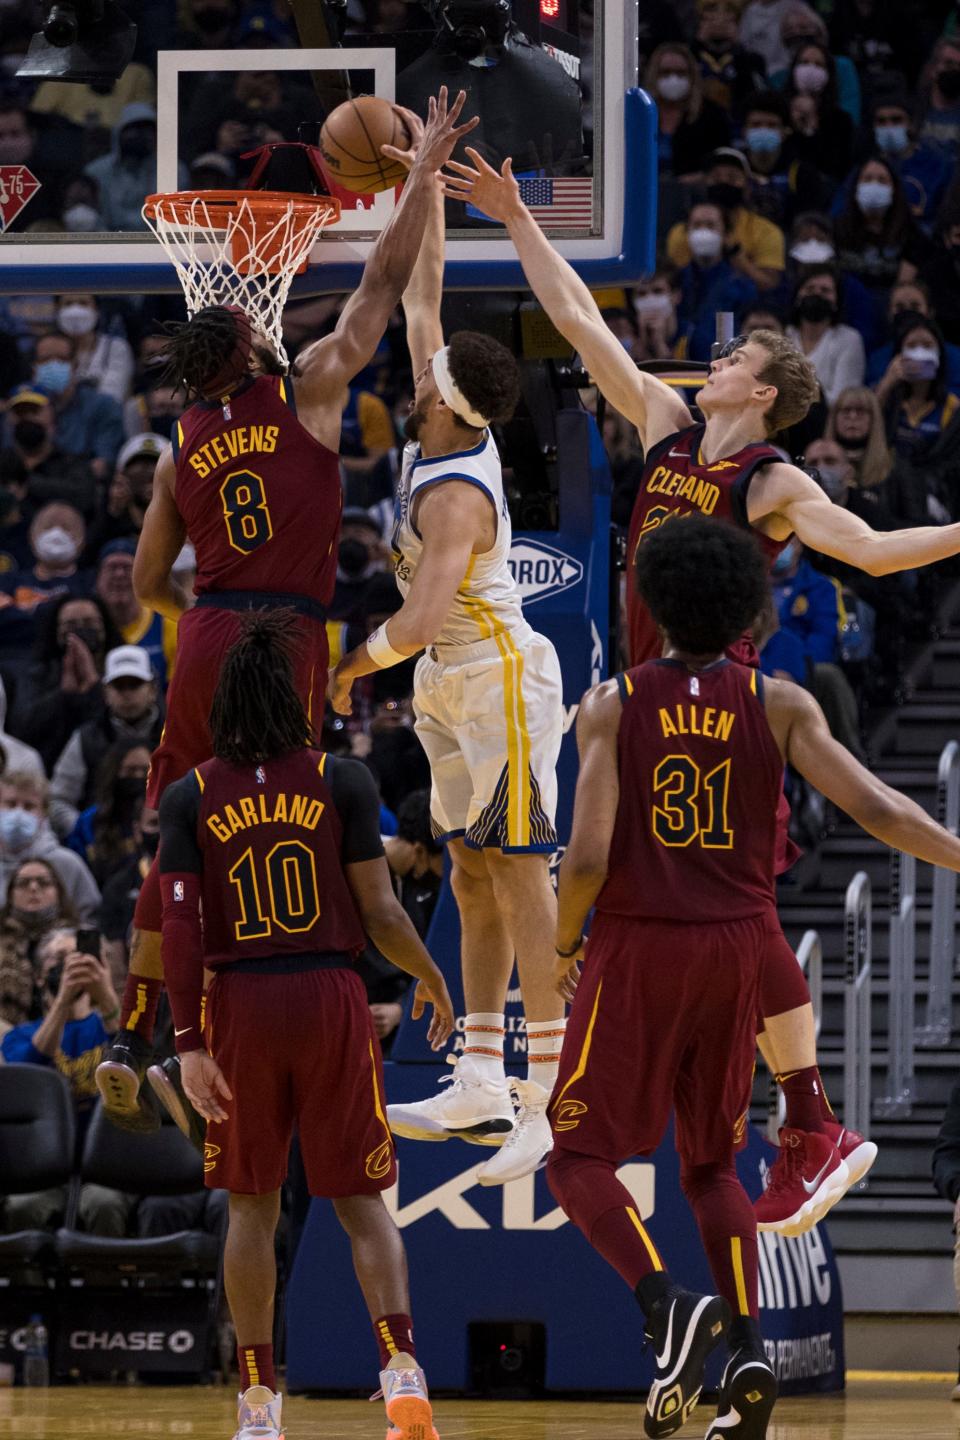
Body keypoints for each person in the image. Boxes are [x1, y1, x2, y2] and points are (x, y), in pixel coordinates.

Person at [445, 147, 960, 1231]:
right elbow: (581, 316)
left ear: (762, 392)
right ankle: (771, 1112)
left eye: (732, 357)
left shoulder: (771, 479)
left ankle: (801, 1115)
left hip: (719, 700)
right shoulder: (668, 430)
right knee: (669, 903)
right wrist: (511, 217)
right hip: (640, 693)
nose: (712, 359)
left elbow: (866, 549)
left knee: (733, 904)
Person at [95, 88, 479, 1136]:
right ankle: (299, 991)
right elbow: (382, 283)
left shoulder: (182, 449)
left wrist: (204, 605)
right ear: (255, 352)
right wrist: (419, 175)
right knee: (288, 807)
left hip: (207, 628)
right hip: (285, 632)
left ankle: (137, 1029)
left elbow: (141, 589)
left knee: (177, 818)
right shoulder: (309, 387)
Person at [548, 516, 960, 1440]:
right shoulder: (777, 701)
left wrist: (565, 944)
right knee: (710, 1164)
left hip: (639, 943)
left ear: (648, 603)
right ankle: (746, 1349)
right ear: (750, 608)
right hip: (737, 948)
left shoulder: (613, 703)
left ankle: (665, 1305)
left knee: (576, 1157)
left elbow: (583, 860)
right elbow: (879, 805)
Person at [157, 611, 454, 1440]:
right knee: (362, 1203)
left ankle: (258, 1400)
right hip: (330, 996)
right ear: (299, 699)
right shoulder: (342, 779)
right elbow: (382, 910)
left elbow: (178, 933)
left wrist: (186, 1043)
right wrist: (431, 974)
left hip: (243, 1004)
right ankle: (401, 1368)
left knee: (251, 1210)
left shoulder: (192, 794)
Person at [330, 150, 566, 1189]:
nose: (417, 361)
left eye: (428, 365)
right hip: (454, 693)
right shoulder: (446, 417)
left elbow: (420, 621)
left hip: (497, 679)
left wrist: (349, 669)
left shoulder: (454, 495)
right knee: (469, 867)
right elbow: (424, 290)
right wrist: (421, 180)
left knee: (518, 871)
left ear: (443, 398)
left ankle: (547, 1103)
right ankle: (477, 1070)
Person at [1, 927, 129, 1237]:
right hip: (42, 1171)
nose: (72, 965)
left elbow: (132, 1058)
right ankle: (28, 1287)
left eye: (79, 957)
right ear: (40, 976)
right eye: (59, 958)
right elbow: (24, 1081)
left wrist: (105, 992)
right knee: (21, 1208)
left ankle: (104, 1286)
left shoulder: (111, 1023)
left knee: (105, 1205)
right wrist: (61, 1003)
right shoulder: (20, 1035)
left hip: (107, 1169)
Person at [48, 646, 162, 840]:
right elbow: (58, 800)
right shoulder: (85, 738)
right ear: (105, 691)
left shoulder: (174, 735)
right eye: (118, 686)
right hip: (100, 846)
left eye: (135, 684)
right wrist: (86, 832)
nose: (127, 693)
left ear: (152, 689)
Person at [666, 148, 786, 292]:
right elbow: (672, 285)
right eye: (716, 177)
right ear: (705, 183)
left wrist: (738, 258)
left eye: (732, 177)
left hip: (742, 307)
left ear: (747, 186)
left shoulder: (767, 231)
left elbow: (769, 285)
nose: (723, 182)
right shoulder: (682, 232)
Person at [0, 770, 100, 923]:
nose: (18, 814)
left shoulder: (67, 863)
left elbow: (90, 919)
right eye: (11, 804)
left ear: (44, 813)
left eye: (29, 806)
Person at [0, 857, 77, 1029]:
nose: (33, 888)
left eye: (44, 882)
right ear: (10, 894)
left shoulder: (78, 941)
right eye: (23, 883)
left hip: (69, 1037)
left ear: (59, 891)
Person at [95, 540, 178, 687]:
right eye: (112, 567)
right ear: (98, 578)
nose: (119, 574)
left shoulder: (168, 625)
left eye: (128, 568)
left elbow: (176, 687)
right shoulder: (87, 623)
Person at [643, 43, 732, 179]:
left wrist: (702, 177)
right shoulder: (639, 115)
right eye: (665, 72)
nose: (673, 79)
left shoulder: (712, 116)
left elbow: (722, 163)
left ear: (692, 76)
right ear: (654, 75)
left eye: (681, 73)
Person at [785, 266, 865, 403]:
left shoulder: (849, 339)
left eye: (825, 290)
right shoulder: (783, 334)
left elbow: (842, 398)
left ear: (836, 302)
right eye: (810, 289)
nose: (817, 294)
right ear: (797, 297)